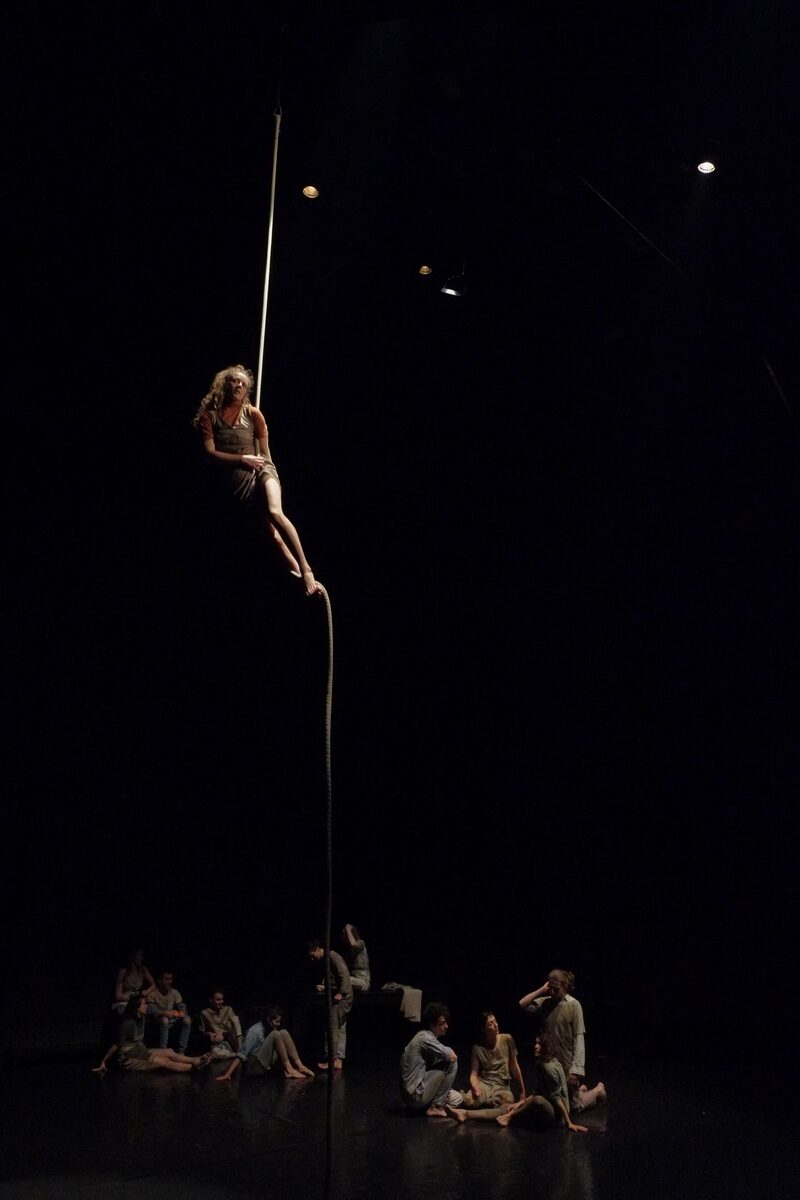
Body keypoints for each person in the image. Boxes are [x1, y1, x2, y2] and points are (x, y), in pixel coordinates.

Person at [192, 364, 322, 596]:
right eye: (234, 381)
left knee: (275, 511)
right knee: (273, 537)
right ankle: (301, 578)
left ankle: (307, 568)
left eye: (243, 383)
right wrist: (243, 459)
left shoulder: (253, 414)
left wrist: (268, 470)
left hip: (262, 471)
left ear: (247, 389)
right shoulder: (209, 418)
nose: (238, 385)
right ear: (224, 384)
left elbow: (265, 453)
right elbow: (210, 453)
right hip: (239, 485)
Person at [518, 968, 593, 1108]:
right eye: (550, 988)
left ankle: (598, 1090)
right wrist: (542, 990)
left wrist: (576, 1070)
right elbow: (523, 1004)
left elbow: (578, 1038)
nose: (552, 992)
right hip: (548, 1060)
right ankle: (581, 1091)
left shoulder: (574, 1005)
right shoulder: (546, 1002)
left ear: (565, 986)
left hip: (565, 1061)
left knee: (573, 1106)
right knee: (552, 1100)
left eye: (556, 989)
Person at [496, 1033, 596, 1131]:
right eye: (536, 1043)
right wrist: (519, 1103)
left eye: (539, 1044)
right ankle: (585, 1091)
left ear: (546, 1047)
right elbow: (538, 1091)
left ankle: (509, 1117)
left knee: (537, 1100)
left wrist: (569, 1123)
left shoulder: (548, 1068)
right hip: (554, 1105)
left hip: (558, 1118)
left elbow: (556, 1098)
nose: (535, 1046)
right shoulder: (547, 1062)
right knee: (529, 1103)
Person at [92, 995, 211, 1074]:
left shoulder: (142, 1016)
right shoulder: (128, 1023)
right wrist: (104, 1061)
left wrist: (169, 1013)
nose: (146, 1006)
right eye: (144, 1004)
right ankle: (193, 1067)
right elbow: (117, 1044)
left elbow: (155, 1010)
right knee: (165, 1061)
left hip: (140, 1050)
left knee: (169, 1051)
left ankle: (195, 1059)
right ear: (136, 1008)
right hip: (129, 1056)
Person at [445, 1011, 525, 1122]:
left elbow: (514, 1066)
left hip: (501, 1085)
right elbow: (474, 1074)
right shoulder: (478, 1048)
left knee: (508, 1100)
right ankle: (482, 1099)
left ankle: (485, 1101)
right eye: (490, 1023)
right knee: (469, 1101)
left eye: (495, 1021)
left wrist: (522, 1091)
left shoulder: (507, 1039)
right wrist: (475, 1087)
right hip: (485, 1083)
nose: (496, 1025)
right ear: (483, 1029)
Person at [216, 1006, 314, 1081]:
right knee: (275, 1034)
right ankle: (289, 1069)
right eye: (276, 1021)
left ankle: (300, 1066)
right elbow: (241, 1054)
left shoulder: (267, 1028)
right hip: (253, 1068)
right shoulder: (255, 1031)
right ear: (268, 1019)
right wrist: (227, 1074)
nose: (278, 1024)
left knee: (283, 1032)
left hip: (262, 1063)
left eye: (279, 1021)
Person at [400, 1002, 463, 1118]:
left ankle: (428, 1106)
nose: (446, 1026)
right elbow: (452, 1057)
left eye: (446, 1023)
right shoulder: (425, 1038)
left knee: (457, 1098)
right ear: (432, 1025)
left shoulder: (424, 1036)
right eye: (442, 1023)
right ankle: (436, 1107)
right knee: (452, 1064)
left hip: (414, 1095)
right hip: (416, 1095)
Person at [308, 938, 352, 1070]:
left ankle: (331, 1059)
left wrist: (341, 993)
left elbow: (344, 973)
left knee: (332, 1027)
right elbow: (333, 977)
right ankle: (338, 1060)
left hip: (342, 997)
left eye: (312, 955)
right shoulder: (326, 959)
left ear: (317, 949)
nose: (312, 959)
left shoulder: (332, 956)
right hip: (340, 995)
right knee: (340, 1027)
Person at [148, 970, 192, 1055]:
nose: (170, 982)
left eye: (170, 979)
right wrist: (164, 1013)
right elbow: (150, 1009)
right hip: (157, 1021)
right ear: (159, 980)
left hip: (171, 1020)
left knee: (187, 1020)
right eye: (167, 979)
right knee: (165, 1019)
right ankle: (163, 1051)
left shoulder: (174, 992)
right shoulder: (153, 994)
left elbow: (181, 1004)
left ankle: (181, 1051)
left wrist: (182, 1011)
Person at [199, 990, 242, 1059]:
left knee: (236, 1019)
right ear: (211, 1000)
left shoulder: (228, 1009)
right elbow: (202, 1032)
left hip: (232, 1038)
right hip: (220, 1043)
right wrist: (210, 1034)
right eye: (218, 1000)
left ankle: (240, 1050)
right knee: (214, 1052)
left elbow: (235, 1028)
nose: (221, 1002)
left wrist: (224, 1034)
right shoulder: (205, 1013)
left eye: (222, 999)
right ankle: (237, 1055)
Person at [112, 948, 155, 1015]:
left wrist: (147, 991)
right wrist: (134, 1000)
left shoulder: (142, 969)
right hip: (126, 1001)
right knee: (133, 1010)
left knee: (151, 1008)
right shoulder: (124, 972)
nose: (142, 958)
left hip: (138, 1001)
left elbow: (153, 984)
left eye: (142, 955)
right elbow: (118, 995)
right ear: (132, 957)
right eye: (139, 955)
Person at [342, 924, 371, 993]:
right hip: (353, 979)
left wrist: (348, 929)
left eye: (345, 935)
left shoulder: (361, 943)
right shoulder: (349, 951)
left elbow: (353, 944)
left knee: (343, 980)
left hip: (363, 981)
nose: (344, 937)